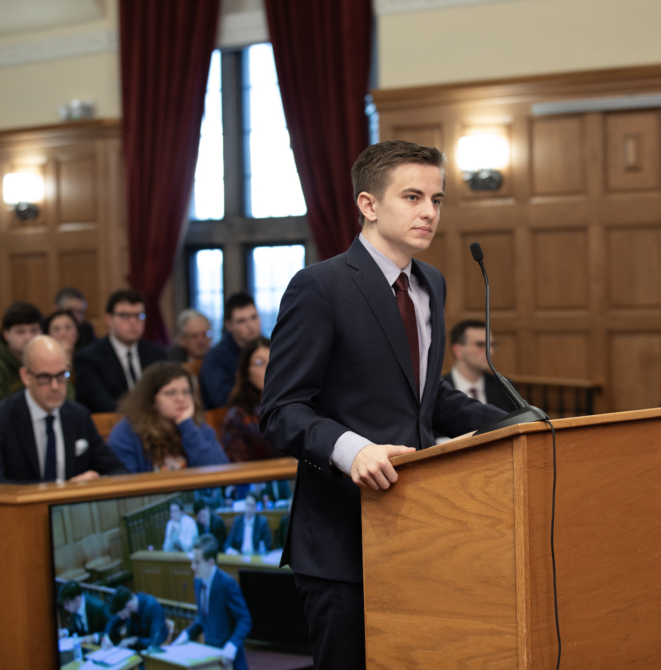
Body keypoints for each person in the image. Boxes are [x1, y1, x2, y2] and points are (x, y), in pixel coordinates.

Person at [260, 140, 505, 670]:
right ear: (368, 205)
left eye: (437, 200)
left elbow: (425, 396)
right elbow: (280, 409)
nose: (428, 213)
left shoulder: (430, 284)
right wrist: (352, 450)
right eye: (412, 197)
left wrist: (518, 426)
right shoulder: (319, 286)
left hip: (419, 530)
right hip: (341, 540)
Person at [0, 336, 129, 484]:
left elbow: (118, 470)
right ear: (26, 376)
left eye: (62, 375)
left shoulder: (79, 416)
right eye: (44, 377)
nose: (55, 386)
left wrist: (96, 481)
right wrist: (64, 488)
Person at [108, 361, 228, 473]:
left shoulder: (197, 427)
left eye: (186, 392)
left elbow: (220, 471)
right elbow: (125, 482)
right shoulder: (127, 432)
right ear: (151, 400)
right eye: (170, 393)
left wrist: (187, 426)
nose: (181, 399)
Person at [74, 289, 167, 413]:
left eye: (139, 316)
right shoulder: (89, 358)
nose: (133, 322)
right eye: (124, 316)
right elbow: (101, 403)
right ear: (109, 319)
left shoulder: (157, 354)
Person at [173, 535, 252, 670]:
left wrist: (232, 645)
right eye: (192, 561)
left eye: (197, 562)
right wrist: (187, 634)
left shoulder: (227, 584)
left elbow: (245, 620)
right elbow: (204, 616)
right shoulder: (198, 581)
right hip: (210, 656)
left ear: (211, 562)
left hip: (229, 659)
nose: (192, 567)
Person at [0, 302, 44, 419]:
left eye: (34, 330)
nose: (28, 337)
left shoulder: (43, 360)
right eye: (20, 332)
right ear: (6, 334)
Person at [220, 337, 282, 462]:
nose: (269, 368)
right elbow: (236, 469)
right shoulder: (237, 417)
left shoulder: (296, 405)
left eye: (273, 360)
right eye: (259, 363)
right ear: (246, 372)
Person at [199, 293, 262, 410]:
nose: (250, 325)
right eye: (241, 321)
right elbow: (222, 399)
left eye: (254, 317)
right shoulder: (215, 358)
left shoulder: (268, 348)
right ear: (229, 326)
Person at [442, 320, 515, 413]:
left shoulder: (504, 387)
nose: (491, 352)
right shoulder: (438, 390)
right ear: (458, 350)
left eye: (492, 345)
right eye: (480, 344)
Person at [102, 587, 168, 651]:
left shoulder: (153, 607)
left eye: (122, 615)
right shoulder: (128, 609)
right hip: (134, 651)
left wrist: (136, 639)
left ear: (129, 605)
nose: (122, 618)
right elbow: (112, 622)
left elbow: (156, 641)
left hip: (151, 653)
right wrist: (106, 636)